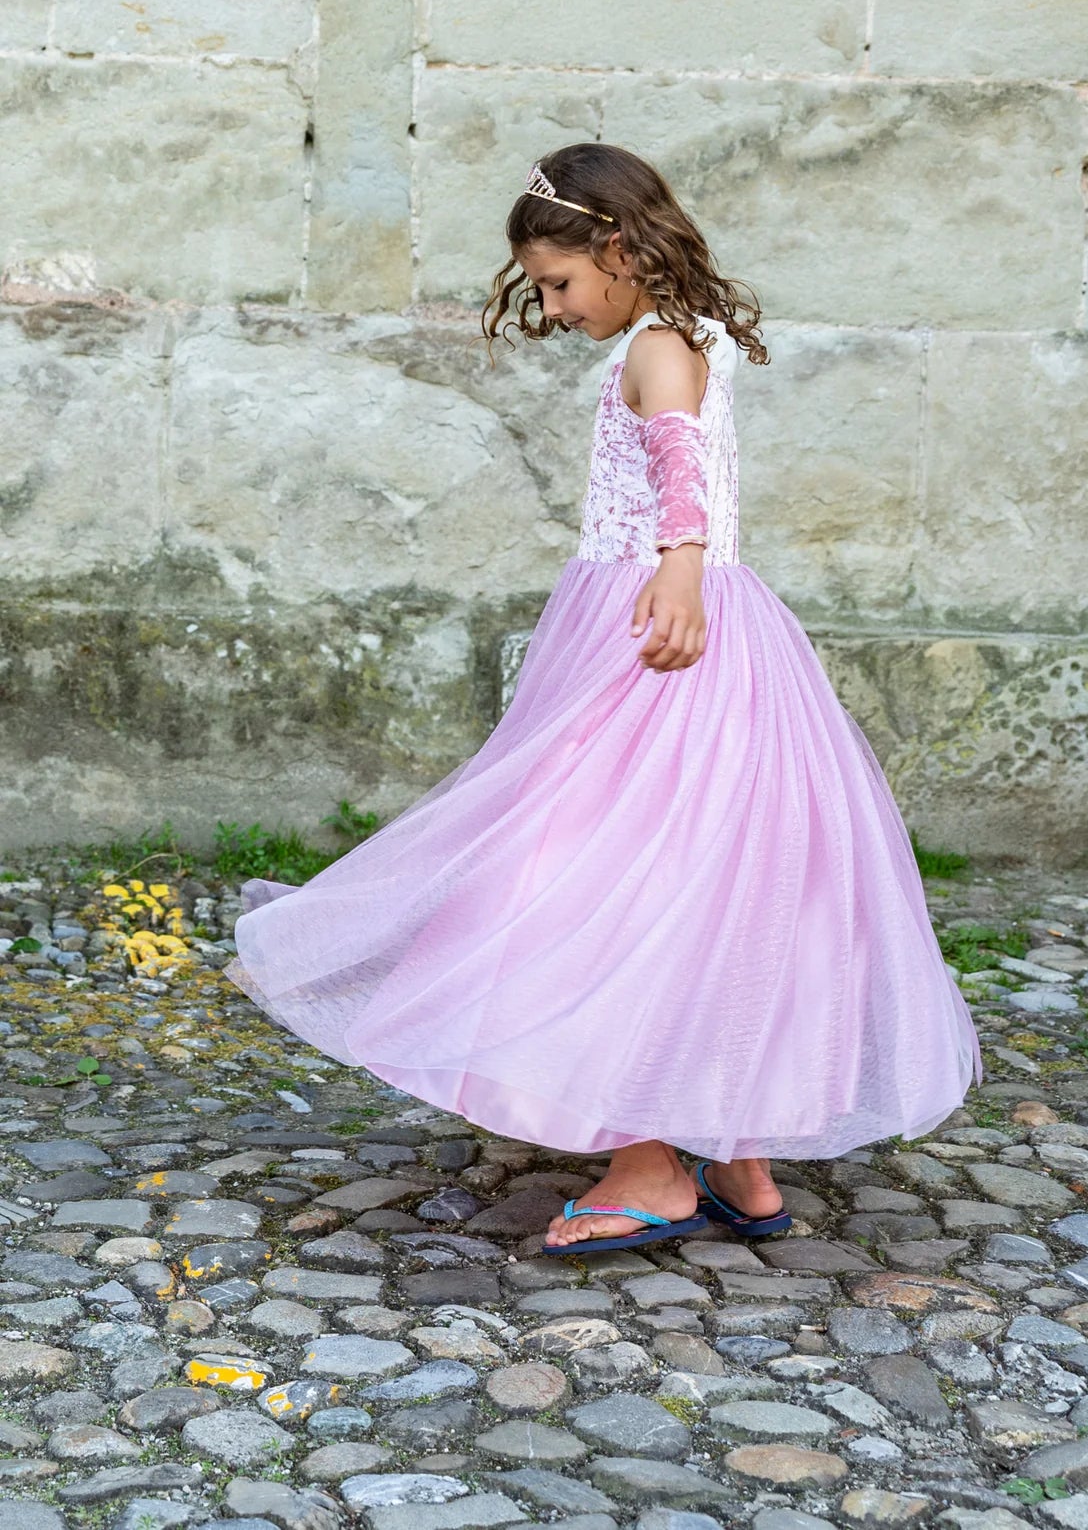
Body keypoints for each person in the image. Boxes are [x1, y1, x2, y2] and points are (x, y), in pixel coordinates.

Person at [225, 142, 982, 1259]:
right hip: (687, 624)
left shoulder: (660, 347)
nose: (552, 305)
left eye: (561, 282)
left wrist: (679, 562)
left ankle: (648, 1163)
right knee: (708, 877)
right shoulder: (685, 333)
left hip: (657, 634)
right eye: (539, 288)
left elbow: (680, 463)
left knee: (590, 872)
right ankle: (734, 1151)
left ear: (619, 249)